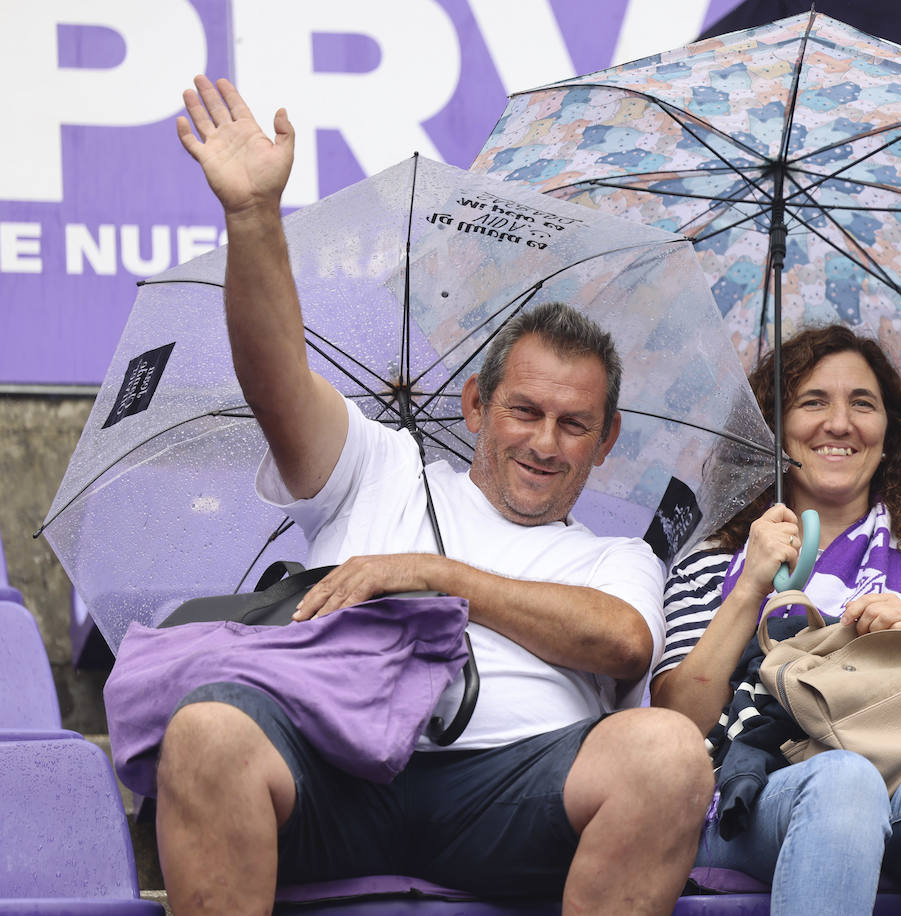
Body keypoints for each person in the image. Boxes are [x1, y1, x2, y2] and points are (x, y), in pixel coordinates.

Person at [155, 76, 713, 915]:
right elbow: (274, 383)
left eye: (574, 424)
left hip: (513, 794)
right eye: (525, 411)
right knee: (207, 729)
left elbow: (627, 645)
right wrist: (253, 219)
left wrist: (434, 577)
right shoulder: (377, 467)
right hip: (335, 768)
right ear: (477, 407)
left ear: (606, 442)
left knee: (671, 753)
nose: (545, 442)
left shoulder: (616, 557)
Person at [652, 325, 901, 915]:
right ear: (770, 432)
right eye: (813, 402)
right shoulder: (707, 565)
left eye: (861, 404)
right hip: (748, 801)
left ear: (888, 434)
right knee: (844, 780)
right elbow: (675, 728)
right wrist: (749, 592)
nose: (839, 423)